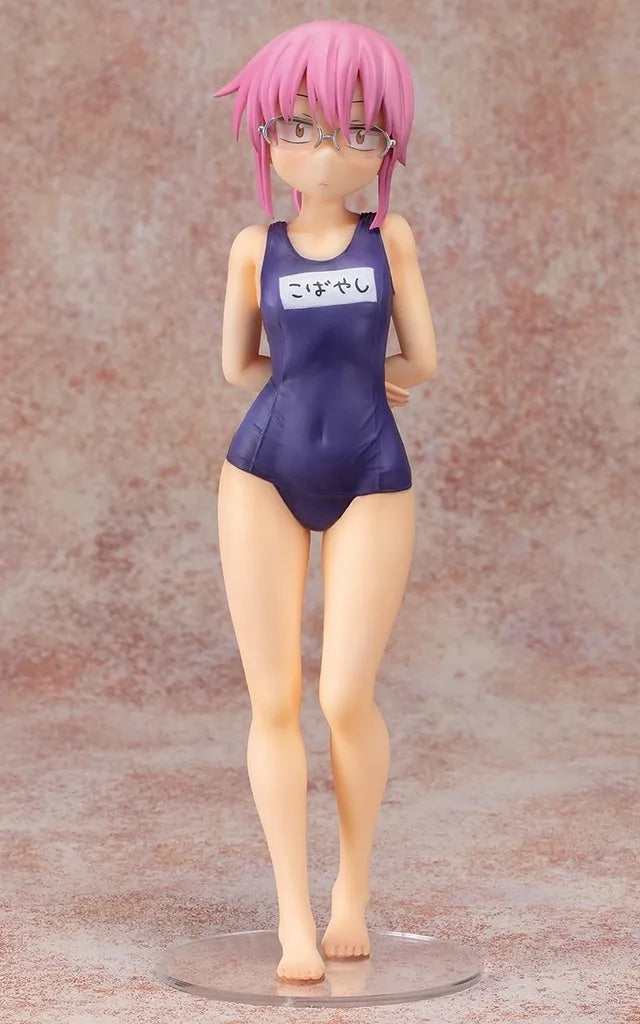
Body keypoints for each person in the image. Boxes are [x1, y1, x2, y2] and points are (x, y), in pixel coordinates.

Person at [212, 18, 437, 983]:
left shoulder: (392, 240)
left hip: (371, 469)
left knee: (345, 695)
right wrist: (307, 383)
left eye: (359, 130)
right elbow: (238, 368)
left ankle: (352, 891)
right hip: (261, 468)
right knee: (273, 700)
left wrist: (368, 381)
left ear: (385, 144)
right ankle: (291, 917)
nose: (328, 150)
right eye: (300, 126)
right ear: (269, 134)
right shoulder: (252, 248)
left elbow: (422, 360)